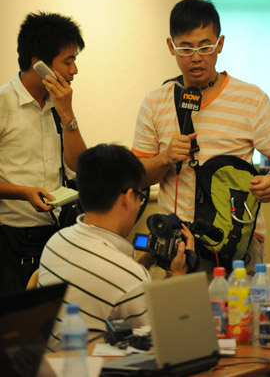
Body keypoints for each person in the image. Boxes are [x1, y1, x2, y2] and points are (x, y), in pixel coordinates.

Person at [132, 0, 270, 276]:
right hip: (181, 246)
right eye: (186, 47)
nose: (196, 57)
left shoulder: (251, 98)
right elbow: (138, 177)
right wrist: (165, 158)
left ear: (220, 44)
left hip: (238, 241)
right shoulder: (154, 102)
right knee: (183, 319)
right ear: (171, 47)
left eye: (205, 47)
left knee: (240, 318)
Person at [38, 143, 195, 351]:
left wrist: (145, 261)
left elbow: (109, 281)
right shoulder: (129, 278)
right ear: (129, 197)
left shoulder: (57, 241)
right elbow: (165, 342)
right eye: (140, 196)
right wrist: (178, 276)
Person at [0, 12, 86, 292]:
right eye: (68, 61)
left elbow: (79, 168)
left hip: (56, 234)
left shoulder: (59, 104)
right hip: (10, 239)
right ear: (39, 65)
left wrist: (67, 115)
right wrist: (24, 192)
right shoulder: (3, 104)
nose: (74, 70)